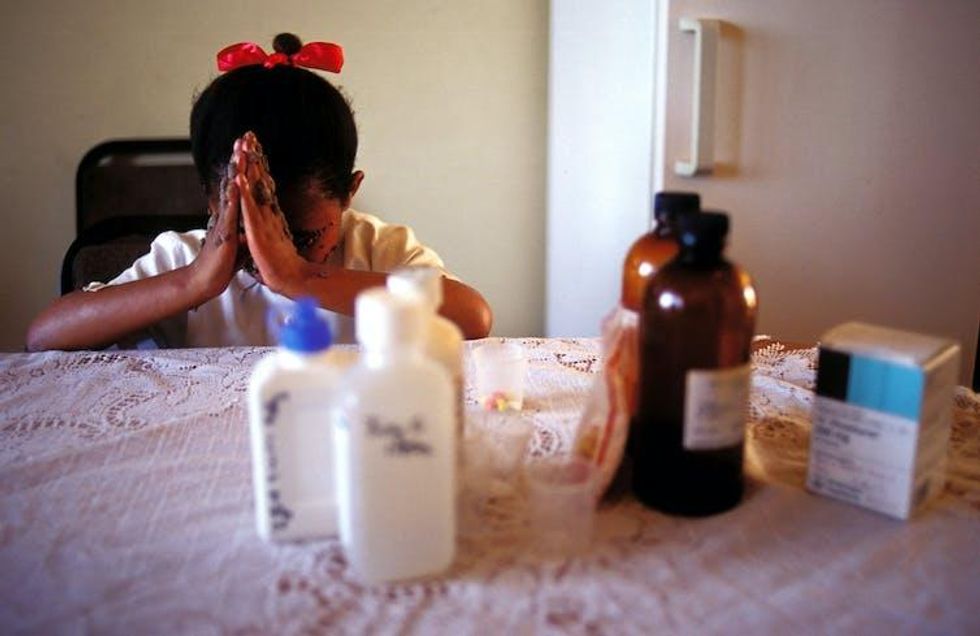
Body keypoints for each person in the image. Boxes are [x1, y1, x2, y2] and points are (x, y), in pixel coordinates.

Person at [27, 33, 492, 351]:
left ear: (350, 193)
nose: (271, 252)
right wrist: (195, 282)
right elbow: (45, 335)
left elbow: (474, 317)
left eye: (303, 237)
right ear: (213, 202)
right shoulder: (184, 260)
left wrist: (300, 276)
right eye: (247, 230)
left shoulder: (376, 250)